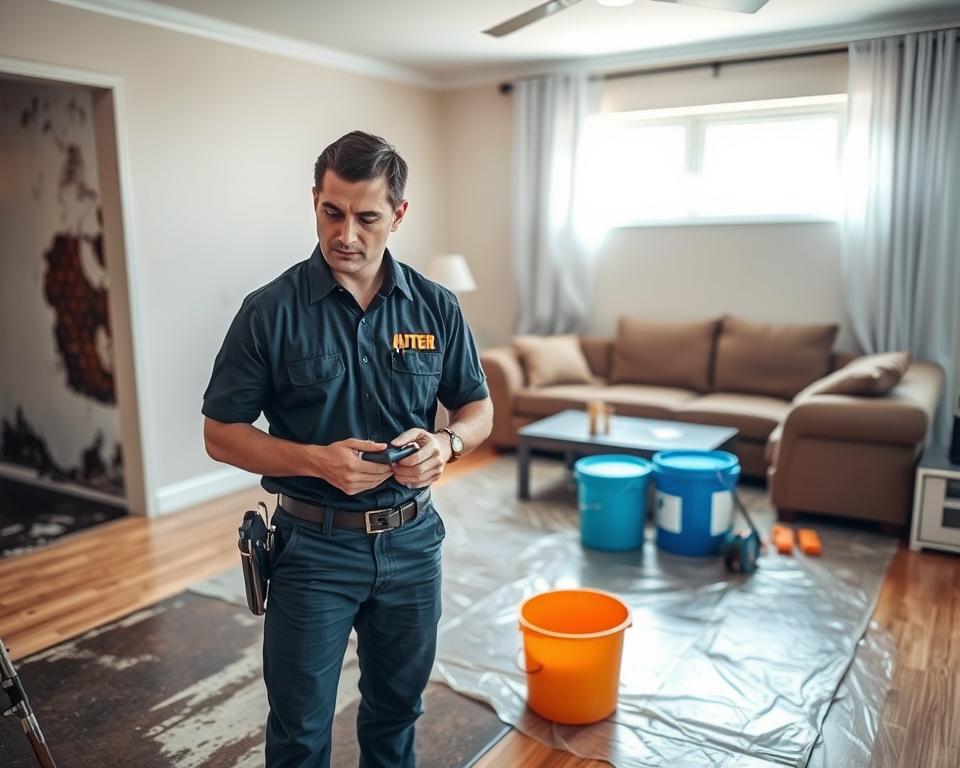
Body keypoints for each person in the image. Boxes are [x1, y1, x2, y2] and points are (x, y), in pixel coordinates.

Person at [201, 130, 493, 768]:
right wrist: (313, 459)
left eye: (367, 218)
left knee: (396, 717)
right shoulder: (268, 312)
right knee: (300, 731)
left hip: (414, 546)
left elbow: (478, 408)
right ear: (315, 202)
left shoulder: (437, 307)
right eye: (332, 213)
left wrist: (446, 443)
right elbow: (220, 433)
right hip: (312, 552)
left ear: (399, 214)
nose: (347, 235)